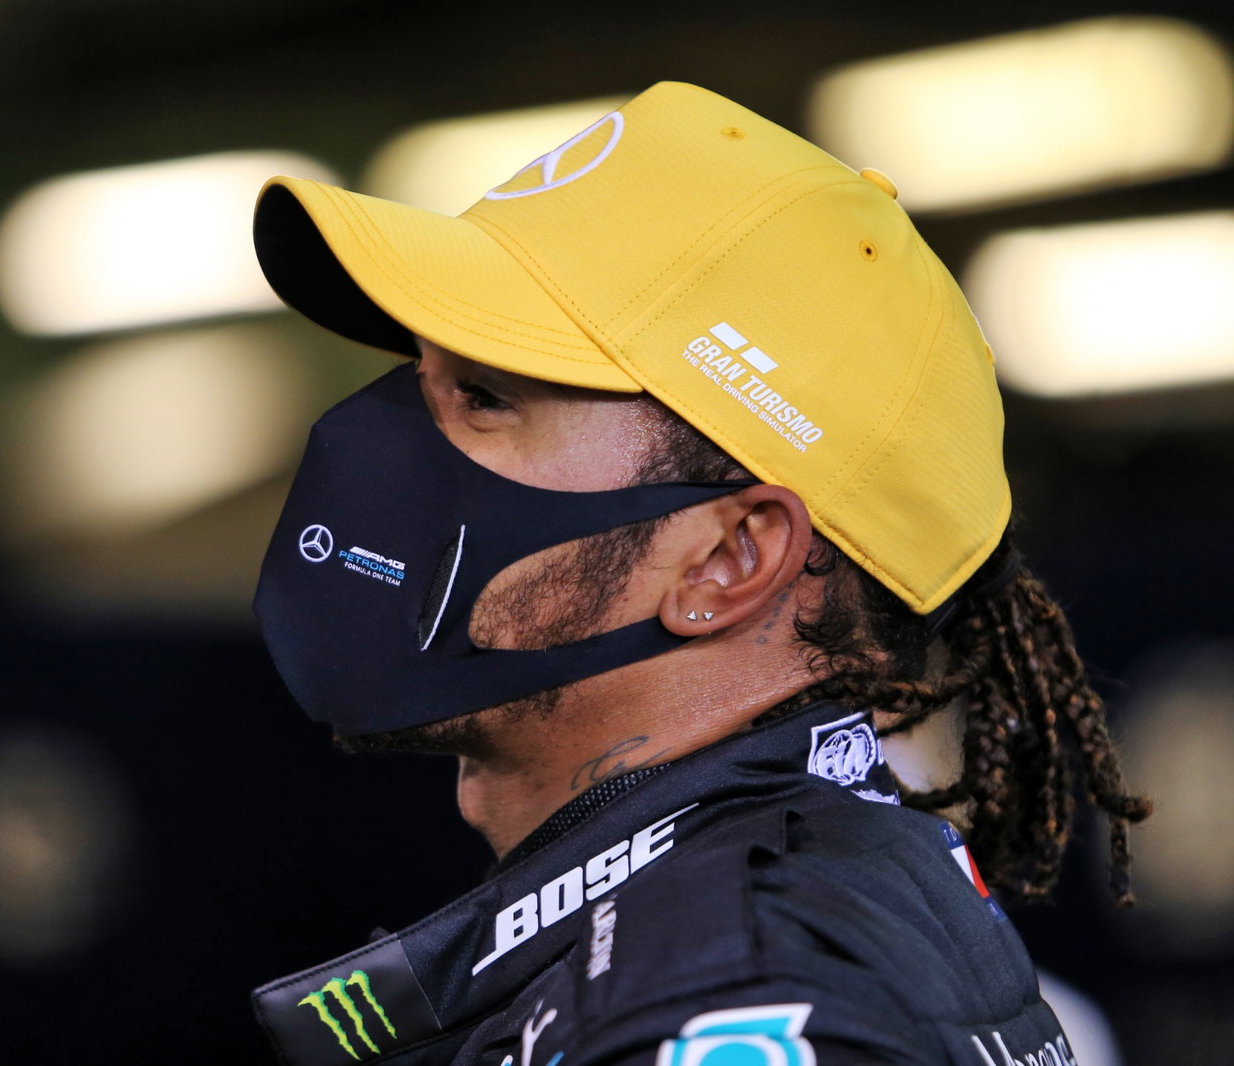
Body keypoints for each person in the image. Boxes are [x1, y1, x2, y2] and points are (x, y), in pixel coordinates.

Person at [244, 81, 1149, 1066]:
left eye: (486, 396)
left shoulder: (733, 994)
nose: (384, 440)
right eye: (413, 378)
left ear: (727, 558)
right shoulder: (783, 920)